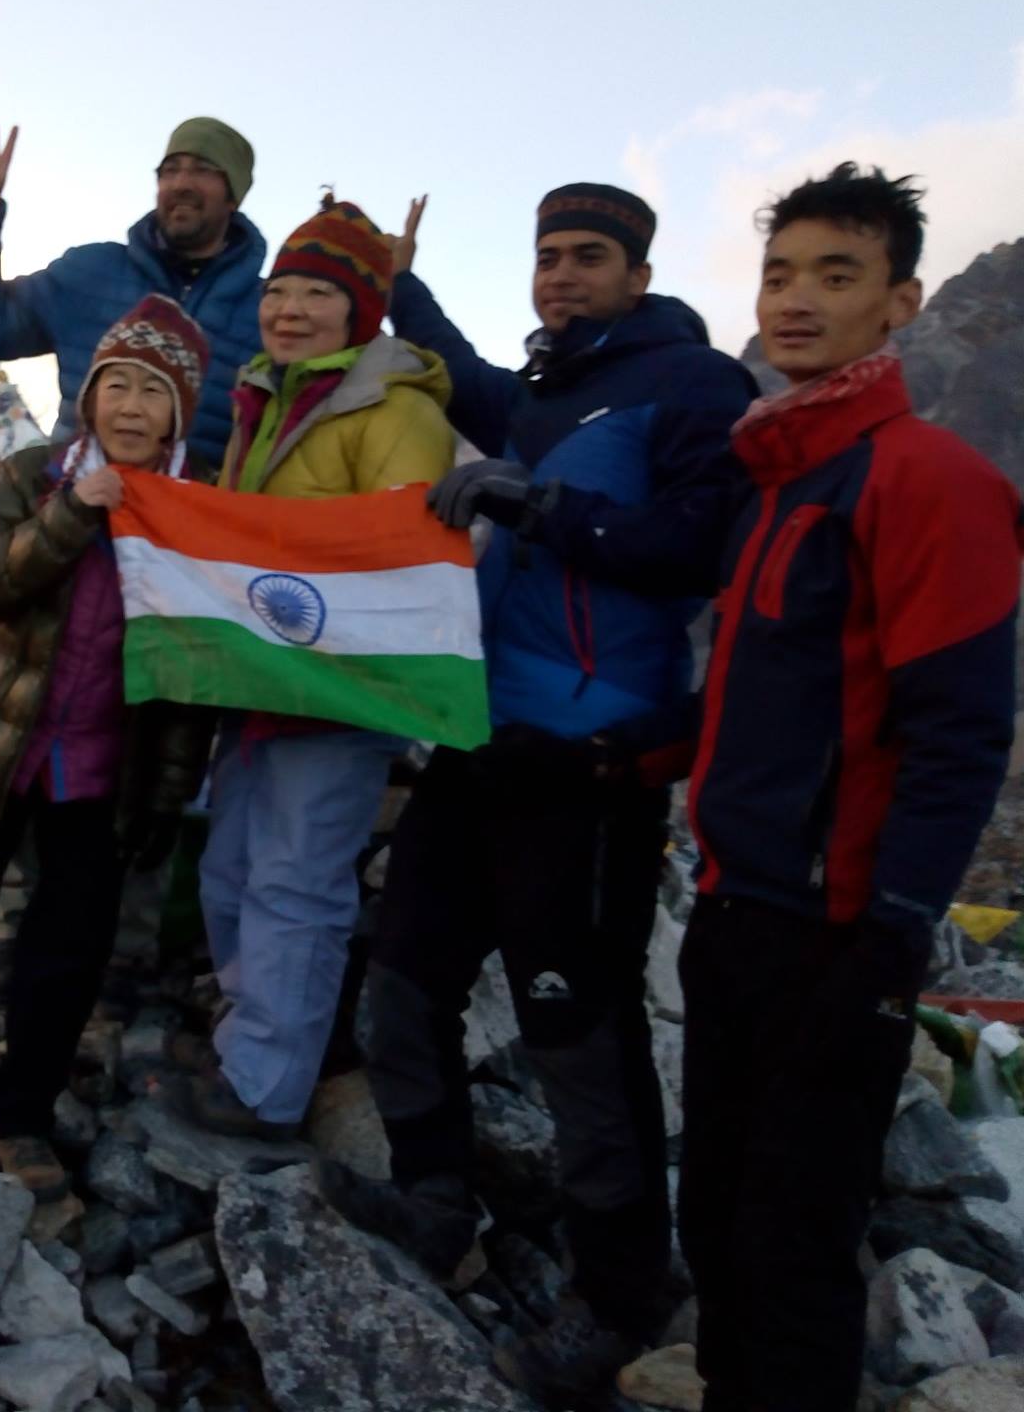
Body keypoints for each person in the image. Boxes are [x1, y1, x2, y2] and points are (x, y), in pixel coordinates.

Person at [324, 183, 757, 1403]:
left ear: (636, 274)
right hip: (481, 737)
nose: (560, 274)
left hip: (588, 762)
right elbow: (457, 369)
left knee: (575, 1029)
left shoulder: (693, 384)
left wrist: (546, 507)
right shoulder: (538, 393)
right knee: (405, 976)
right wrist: (394, 278)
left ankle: (617, 1293)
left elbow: (703, 545)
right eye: (546, 256)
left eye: (587, 257)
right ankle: (431, 1201)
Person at [682, 164, 1020, 1412]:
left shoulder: (924, 477)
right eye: (778, 273)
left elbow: (958, 734)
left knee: (792, 1244)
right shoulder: (777, 479)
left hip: (831, 938)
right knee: (716, 1221)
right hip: (732, 911)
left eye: (836, 275)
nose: (795, 299)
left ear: (899, 302)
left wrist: (887, 940)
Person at [0, 295, 217, 1200]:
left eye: (155, 391)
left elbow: (193, 675)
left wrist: (166, 796)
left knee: (67, 954)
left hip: (100, 773)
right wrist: (72, 515)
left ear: (180, 412)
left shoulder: (196, 517)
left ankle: (19, 1117)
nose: (131, 406)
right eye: (117, 385)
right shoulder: (34, 475)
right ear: (89, 397)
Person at [165, 201, 455, 1139]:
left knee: (294, 880)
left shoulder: (396, 409)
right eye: (279, 290)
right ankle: (253, 1031)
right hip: (262, 686)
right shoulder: (267, 398)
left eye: (318, 294)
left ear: (360, 310)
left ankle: (267, 1086)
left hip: (338, 691)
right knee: (231, 870)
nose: (290, 310)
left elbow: (405, 549)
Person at [0, 117, 265, 467]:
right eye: (170, 170)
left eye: (203, 170)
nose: (181, 183)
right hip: (71, 496)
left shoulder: (268, 314)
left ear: (233, 195)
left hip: (192, 500)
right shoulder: (90, 272)